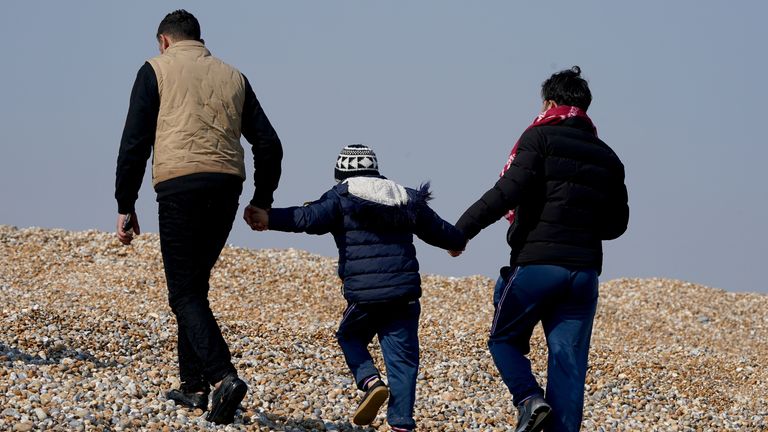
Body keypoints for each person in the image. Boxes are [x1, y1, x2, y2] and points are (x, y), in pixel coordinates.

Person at [114, 10, 282, 425]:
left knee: (183, 293)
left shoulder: (155, 69)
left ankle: (223, 376)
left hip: (180, 187)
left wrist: (125, 202)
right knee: (194, 284)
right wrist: (262, 199)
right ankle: (193, 386)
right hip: (227, 187)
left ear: (164, 41)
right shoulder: (233, 76)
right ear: (198, 39)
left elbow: (134, 141)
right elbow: (270, 144)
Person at [450, 66, 629, 432]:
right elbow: (616, 225)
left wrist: (461, 232)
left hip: (537, 264)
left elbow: (507, 192)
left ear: (548, 102)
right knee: (568, 366)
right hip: (583, 274)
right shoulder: (609, 157)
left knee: (503, 339)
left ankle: (529, 400)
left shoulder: (538, 138)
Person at [249, 144, 466, 431]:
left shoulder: (341, 196)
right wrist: (456, 244)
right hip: (404, 295)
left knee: (349, 336)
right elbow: (441, 231)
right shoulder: (404, 197)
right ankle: (401, 422)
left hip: (365, 296)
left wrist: (268, 218)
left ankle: (371, 381)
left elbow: (308, 218)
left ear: (340, 172)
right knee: (402, 360)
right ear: (375, 169)